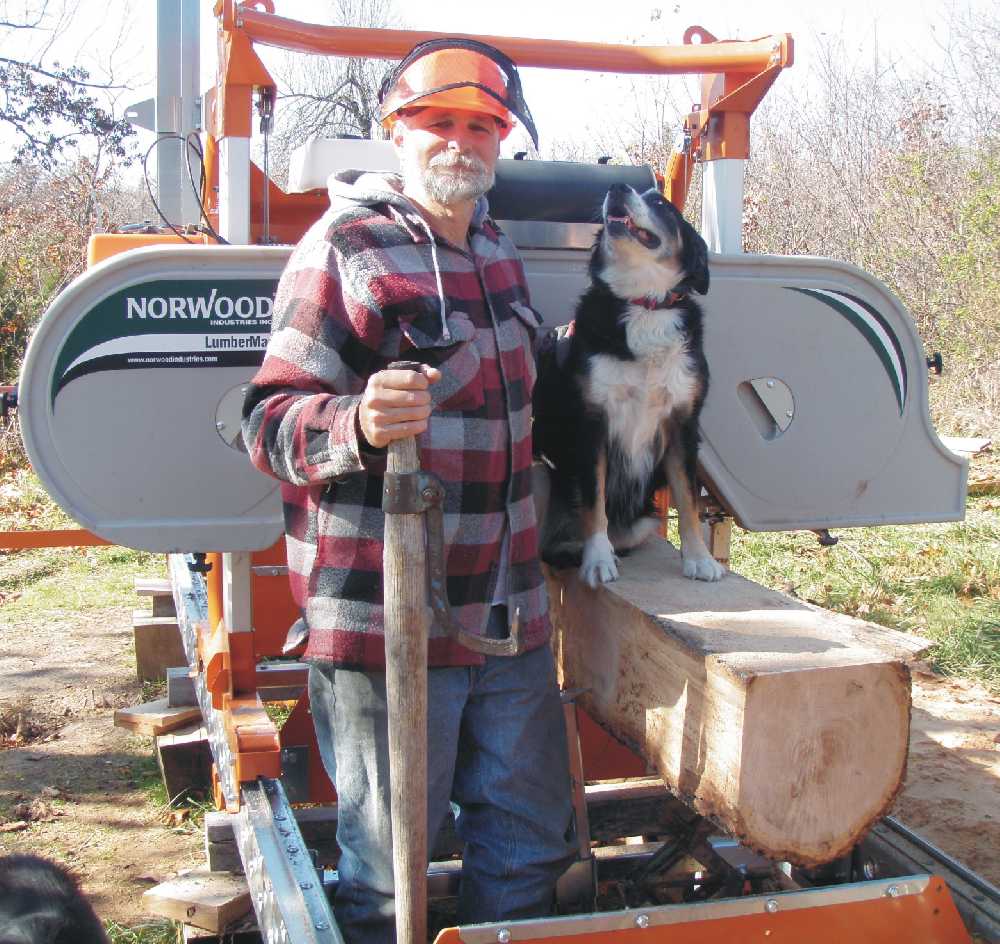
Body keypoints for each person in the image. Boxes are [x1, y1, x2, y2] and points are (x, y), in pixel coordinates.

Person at [242, 38, 575, 944]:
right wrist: (354, 422)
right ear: (396, 129)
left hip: (506, 611)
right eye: (439, 122)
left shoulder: (499, 250)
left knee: (529, 845)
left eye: (480, 125)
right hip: (387, 618)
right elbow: (265, 422)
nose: (460, 141)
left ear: (502, 141)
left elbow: (520, 397)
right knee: (391, 874)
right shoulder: (345, 247)